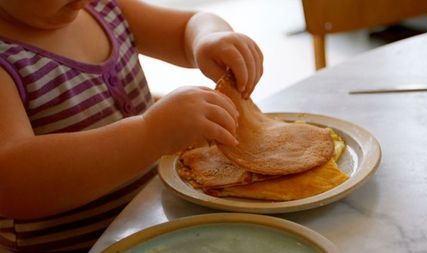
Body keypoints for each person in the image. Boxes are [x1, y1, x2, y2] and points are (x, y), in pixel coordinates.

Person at [0, 0, 263, 251]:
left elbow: (188, 26)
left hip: (150, 228)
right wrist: (150, 133)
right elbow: (10, 180)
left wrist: (207, 38)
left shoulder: (104, 8)